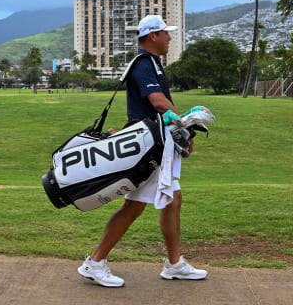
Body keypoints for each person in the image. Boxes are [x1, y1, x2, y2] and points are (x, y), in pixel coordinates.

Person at [77, 14, 207, 287]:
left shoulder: (153, 64)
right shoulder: (144, 64)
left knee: (171, 200)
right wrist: (185, 125)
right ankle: (96, 262)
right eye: (165, 33)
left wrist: (182, 131)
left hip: (154, 143)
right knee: (134, 207)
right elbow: (158, 102)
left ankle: (173, 264)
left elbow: (160, 106)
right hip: (145, 146)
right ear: (152, 36)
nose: (169, 37)